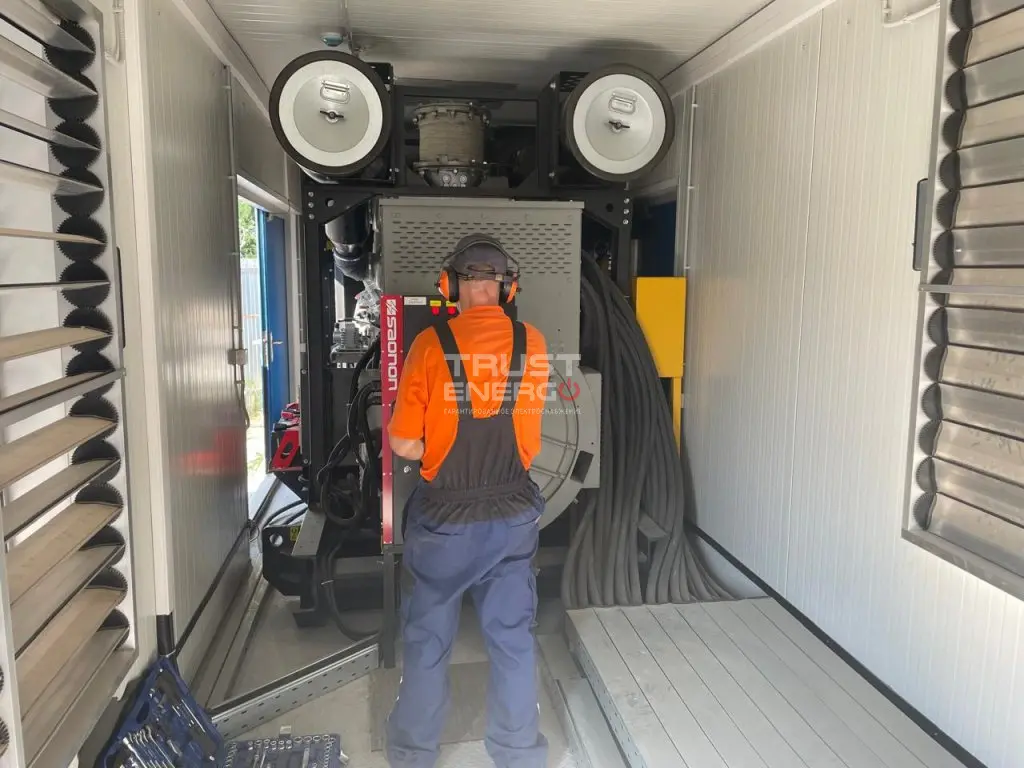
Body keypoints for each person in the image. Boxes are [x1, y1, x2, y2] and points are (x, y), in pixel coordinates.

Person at [385, 233, 550, 768]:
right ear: (508, 288)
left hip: (445, 525)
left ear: (449, 286)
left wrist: (439, 445)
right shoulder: (533, 343)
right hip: (514, 518)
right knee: (512, 638)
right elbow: (528, 439)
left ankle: (413, 754)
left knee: (428, 639)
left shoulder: (430, 345)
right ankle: (520, 755)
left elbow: (403, 443)